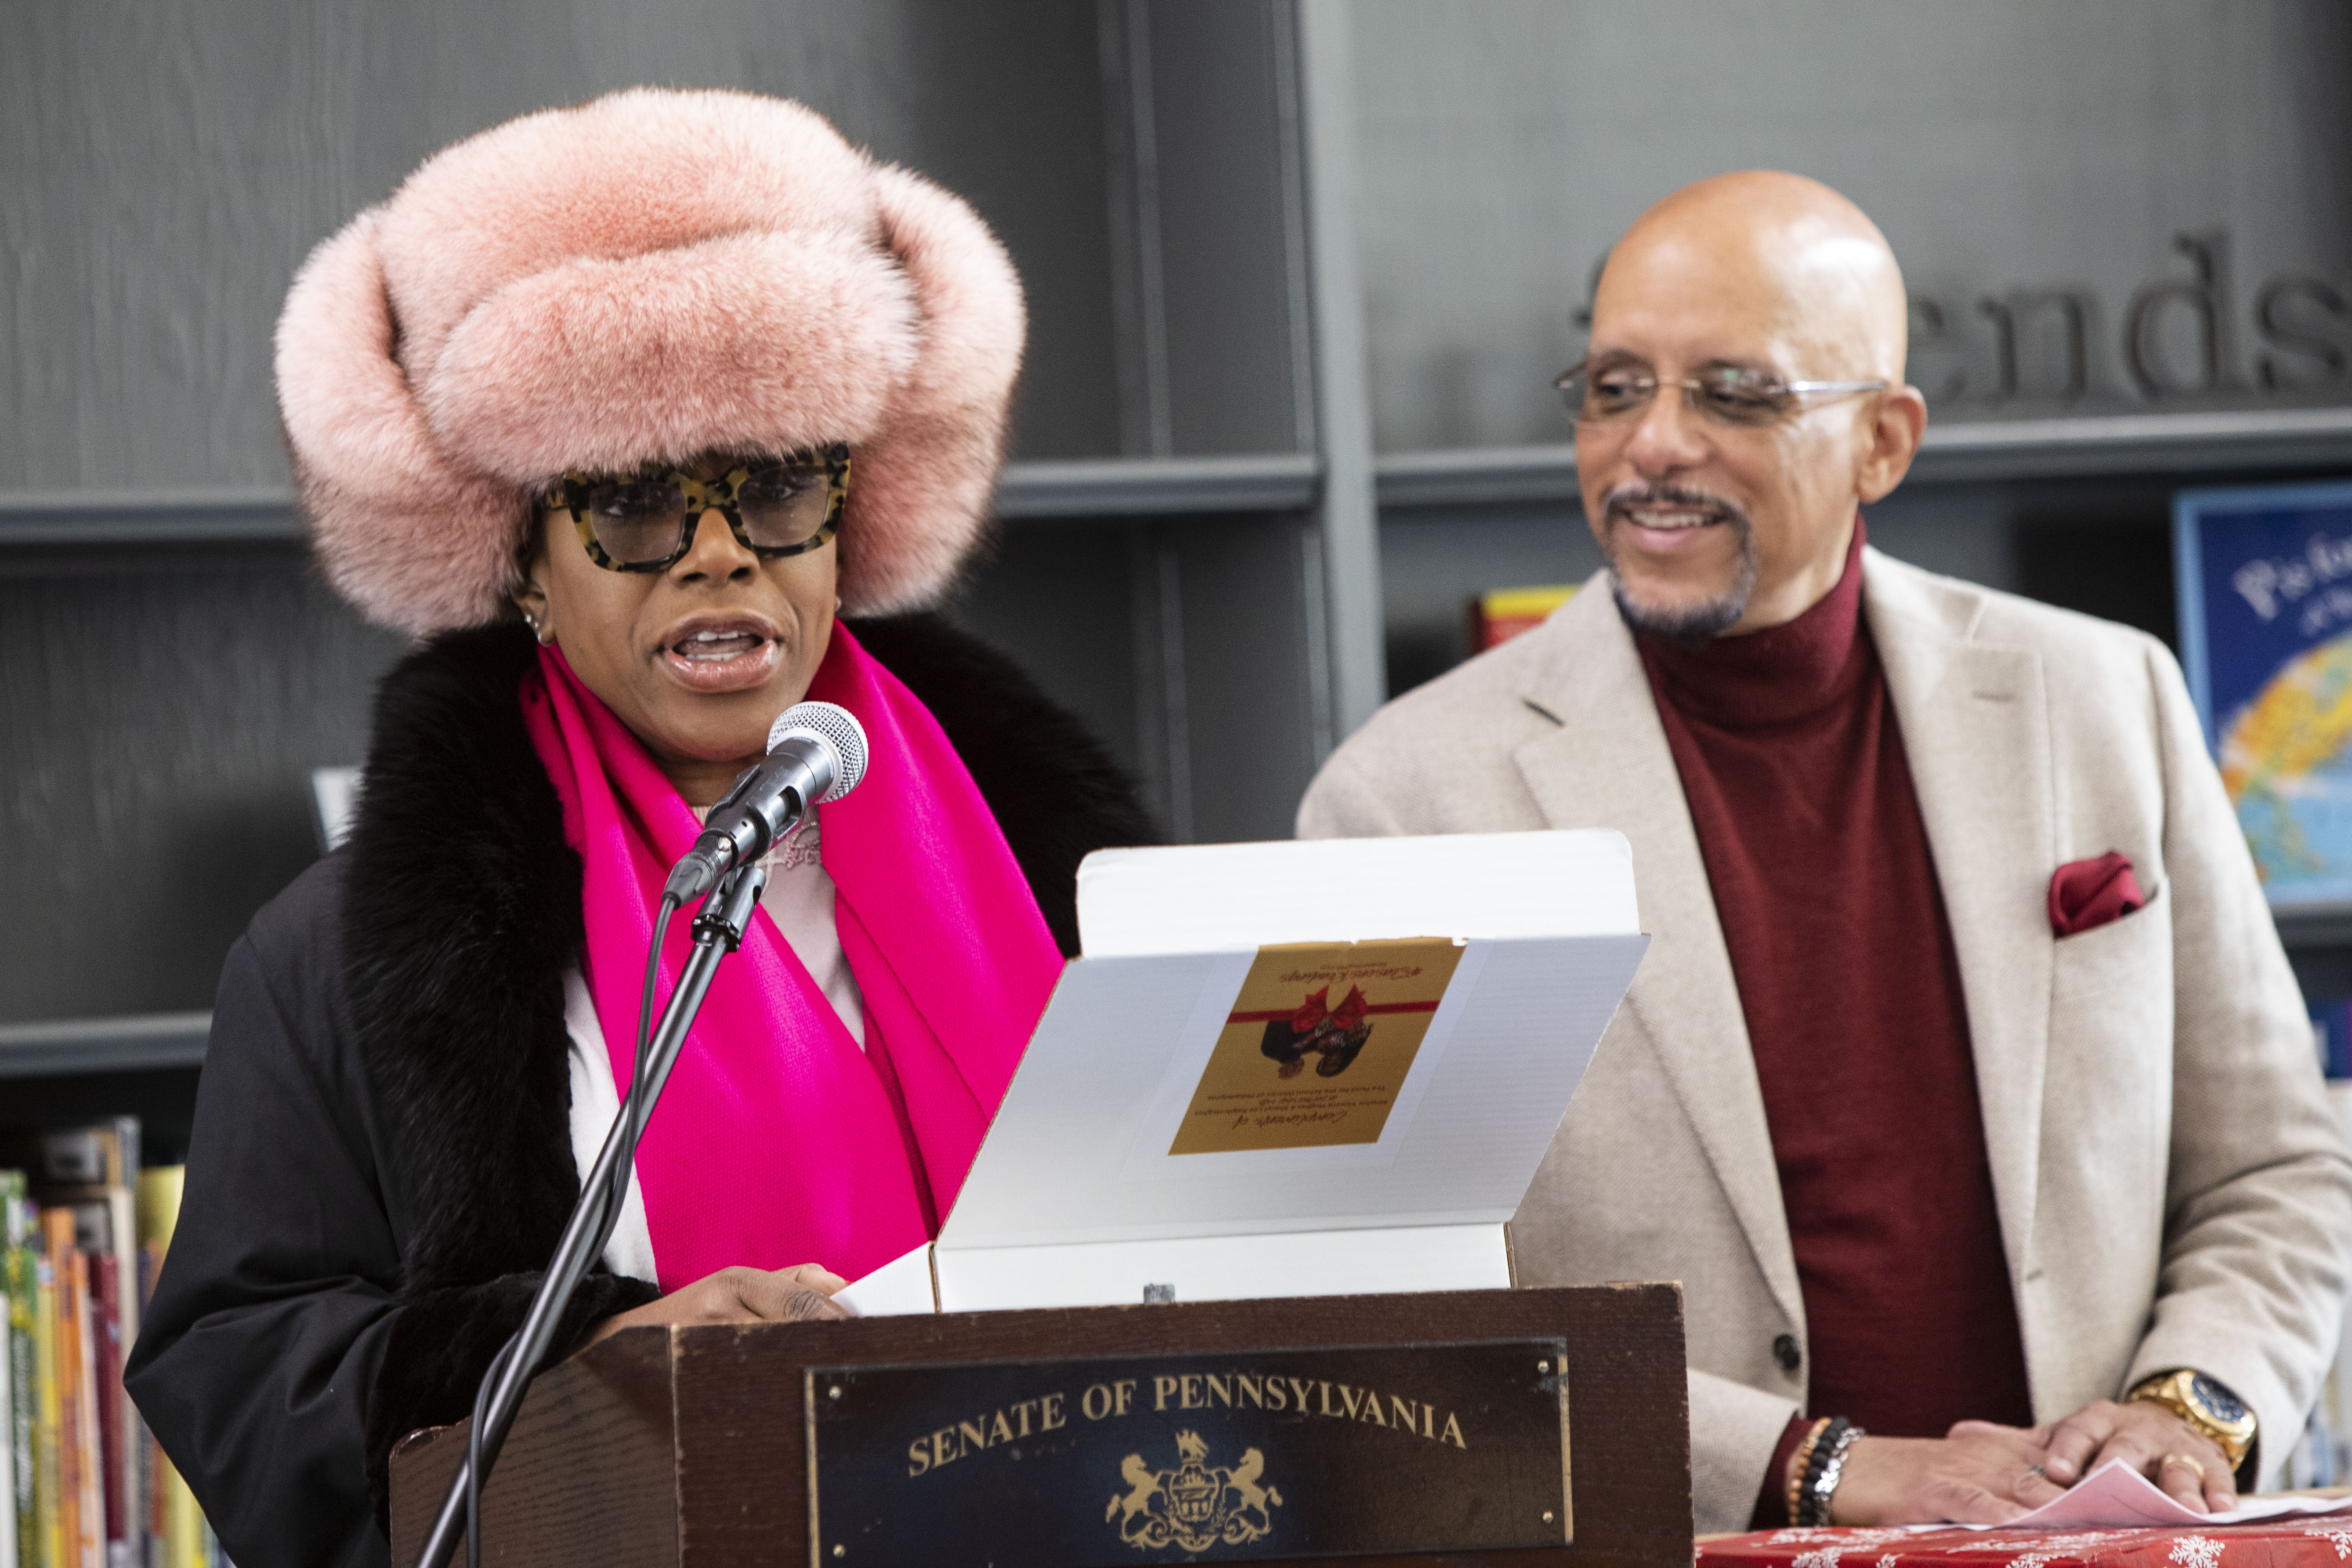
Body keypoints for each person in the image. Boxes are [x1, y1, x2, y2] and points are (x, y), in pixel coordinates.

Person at [124, 89, 1154, 1568]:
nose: (720, 554)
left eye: (778, 487)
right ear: (525, 569)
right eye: (632, 506)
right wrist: (588, 1362)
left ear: (845, 526)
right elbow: (239, 1373)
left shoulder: (1071, 872)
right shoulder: (331, 953)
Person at [1296, 171, 2352, 1533]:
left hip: (2103, 1547)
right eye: (1614, 388)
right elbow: (1386, 1308)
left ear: (1882, 442)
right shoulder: (1398, 798)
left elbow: (2274, 1166)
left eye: (1732, 393)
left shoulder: (2106, 697)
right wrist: (1812, 1464)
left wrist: (2191, 1403)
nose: (1650, 445)